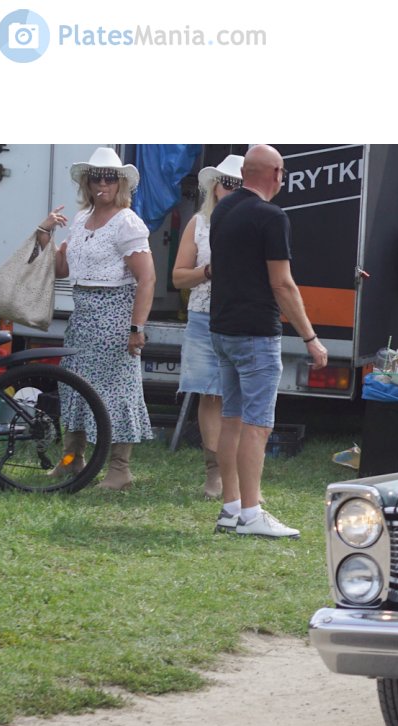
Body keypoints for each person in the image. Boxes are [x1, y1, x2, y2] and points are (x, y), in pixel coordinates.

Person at [209, 144, 328, 537]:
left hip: (223, 328)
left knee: (232, 419)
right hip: (256, 333)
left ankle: (230, 507)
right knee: (257, 425)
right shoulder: (272, 217)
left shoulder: (223, 208)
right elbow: (283, 283)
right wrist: (310, 337)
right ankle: (251, 514)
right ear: (277, 173)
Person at [32, 148, 156, 492]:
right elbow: (61, 269)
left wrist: (136, 328)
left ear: (121, 183)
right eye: (96, 176)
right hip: (83, 314)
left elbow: (147, 279)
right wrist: (45, 234)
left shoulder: (127, 221)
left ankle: (120, 471)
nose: (103, 182)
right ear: (86, 181)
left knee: (116, 392)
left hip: (115, 315)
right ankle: (73, 460)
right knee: (73, 388)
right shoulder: (82, 217)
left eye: (109, 177)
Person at [172, 153, 244, 499]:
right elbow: (177, 277)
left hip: (243, 318)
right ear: (214, 186)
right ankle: (214, 474)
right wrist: (209, 271)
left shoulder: (256, 222)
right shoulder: (199, 224)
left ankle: (237, 473)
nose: (230, 190)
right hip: (203, 316)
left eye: (238, 185)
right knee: (209, 393)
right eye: (226, 183)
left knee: (240, 396)